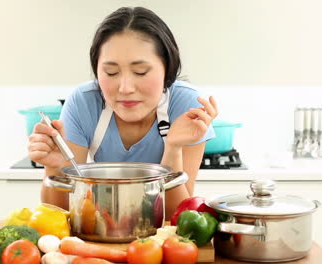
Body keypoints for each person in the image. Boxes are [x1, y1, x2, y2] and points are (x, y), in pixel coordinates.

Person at [28, 6, 218, 219]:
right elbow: (61, 215)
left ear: (167, 68)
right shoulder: (84, 102)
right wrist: (54, 169)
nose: (125, 88)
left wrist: (173, 147)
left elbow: (177, 216)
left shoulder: (187, 106)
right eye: (111, 72)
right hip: (101, 229)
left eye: (140, 72)